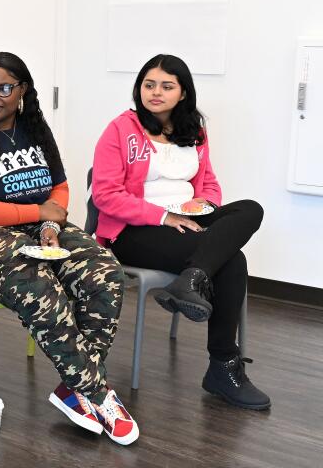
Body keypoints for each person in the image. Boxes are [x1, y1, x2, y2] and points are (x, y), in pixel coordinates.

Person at [0, 52, 137, 444]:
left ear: (22, 89)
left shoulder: (35, 127)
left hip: (34, 227)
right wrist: (36, 211)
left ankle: (74, 386)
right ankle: (95, 391)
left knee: (105, 273)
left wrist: (47, 222)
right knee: (37, 282)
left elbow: (59, 186)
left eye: (5, 88)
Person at [92, 54, 269, 410]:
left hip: (189, 224)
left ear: (183, 93)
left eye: (167, 86)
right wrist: (163, 217)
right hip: (134, 231)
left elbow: (210, 185)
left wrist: (203, 207)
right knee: (232, 260)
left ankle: (192, 278)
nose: (156, 92)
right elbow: (105, 196)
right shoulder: (120, 129)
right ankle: (223, 367)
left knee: (251, 208)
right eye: (149, 84)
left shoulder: (195, 131)